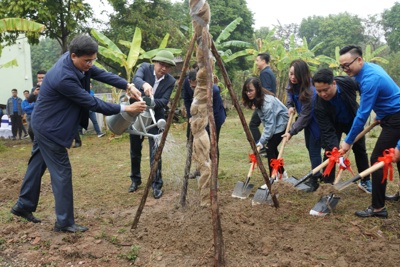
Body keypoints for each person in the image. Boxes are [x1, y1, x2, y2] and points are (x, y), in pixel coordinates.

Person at [10, 34, 146, 233]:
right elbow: (91, 102)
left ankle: (23, 205)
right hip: (50, 128)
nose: (90, 64)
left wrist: (128, 85)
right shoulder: (64, 76)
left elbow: (100, 73)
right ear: (73, 56)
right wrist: (126, 109)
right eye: (87, 61)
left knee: (37, 165)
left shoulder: (78, 62)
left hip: (43, 123)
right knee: (62, 172)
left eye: (93, 59)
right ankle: (64, 222)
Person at [338, 45, 400, 218]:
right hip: (390, 115)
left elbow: (362, 114)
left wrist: (348, 140)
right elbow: (387, 95)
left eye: (347, 65)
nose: (345, 69)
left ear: (359, 60)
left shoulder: (370, 79)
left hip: (396, 117)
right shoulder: (367, 70)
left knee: (378, 158)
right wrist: (381, 114)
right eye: (341, 66)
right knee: (396, 155)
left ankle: (378, 208)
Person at [312, 68, 371, 193]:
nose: (323, 94)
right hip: (334, 124)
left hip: (353, 120)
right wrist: (335, 149)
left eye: (325, 89)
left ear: (334, 83)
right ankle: (328, 185)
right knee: (330, 151)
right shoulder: (318, 105)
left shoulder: (347, 83)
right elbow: (327, 130)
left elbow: (364, 89)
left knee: (360, 149)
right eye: (319, 91)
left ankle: (365, 180)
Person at [129, 50, 176, 199]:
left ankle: (156, 184)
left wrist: (150, 102)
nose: (164, 68)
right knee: (135, 149)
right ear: (155, 62)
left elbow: (164, 101)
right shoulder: (144, 67)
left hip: (156, 116)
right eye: (161, 64)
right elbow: (136, 79)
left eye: (167, 66)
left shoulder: (170, 81)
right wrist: (144, 85)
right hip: (136, 113)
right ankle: (135, 180)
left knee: (156, 151)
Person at [282, 59, 322, 191]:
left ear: (303, 74)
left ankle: (315, 179)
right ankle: (319, 172)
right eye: (291, 74)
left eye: (296, 74)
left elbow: (305, 116)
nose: (293, 77)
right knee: (309, 147)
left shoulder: (311, 90)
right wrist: (290, 105)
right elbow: (289, 92)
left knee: (314, 149)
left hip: (316, 121)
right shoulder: (293, 83)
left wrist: (292, 132)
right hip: (307, 120)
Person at [242, 77, 289, 177]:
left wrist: (261, 142)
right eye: (246, 91)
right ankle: (282, 174)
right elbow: (267, 122)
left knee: (270, 148)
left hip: (281, 123)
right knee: (272, 148)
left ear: (257, 90)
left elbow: (270, 126)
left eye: (251, 90)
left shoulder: (266, 103)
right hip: (275, 122)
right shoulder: (258, 100)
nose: (248, 93)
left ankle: (273, 177)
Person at [187, 69, 226, 161]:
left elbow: (214, 113)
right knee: (198, 144)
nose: (194, 87)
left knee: (212, 144)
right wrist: (192, 116)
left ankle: (213, 169)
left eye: (196, 85)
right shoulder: (188, 83)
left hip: (215, 119)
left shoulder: (213, 90)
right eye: (192, 85)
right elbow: (189, 100)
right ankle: (201, 168)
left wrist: (206, 127)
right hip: (200, 118)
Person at [249, 53, 277, 154]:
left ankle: (261, 147)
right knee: (267, 125)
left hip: (266, 103)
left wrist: (257, 103)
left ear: (263, 61)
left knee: (253, 124)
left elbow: (266, 90)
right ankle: (267, 147)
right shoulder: (269, 72)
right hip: (269, 102)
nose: (256, 63)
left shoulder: (264, 73)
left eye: (257, 60)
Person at [27, 70, 47, 141]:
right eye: (39, 78)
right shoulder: (34, 88)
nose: (40, 79)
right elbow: (29, 100)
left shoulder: (50, 86)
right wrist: (34, 93)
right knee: (30, 130)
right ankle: (35, 142)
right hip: (37, 111)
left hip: (47, 111)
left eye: (42, 78)